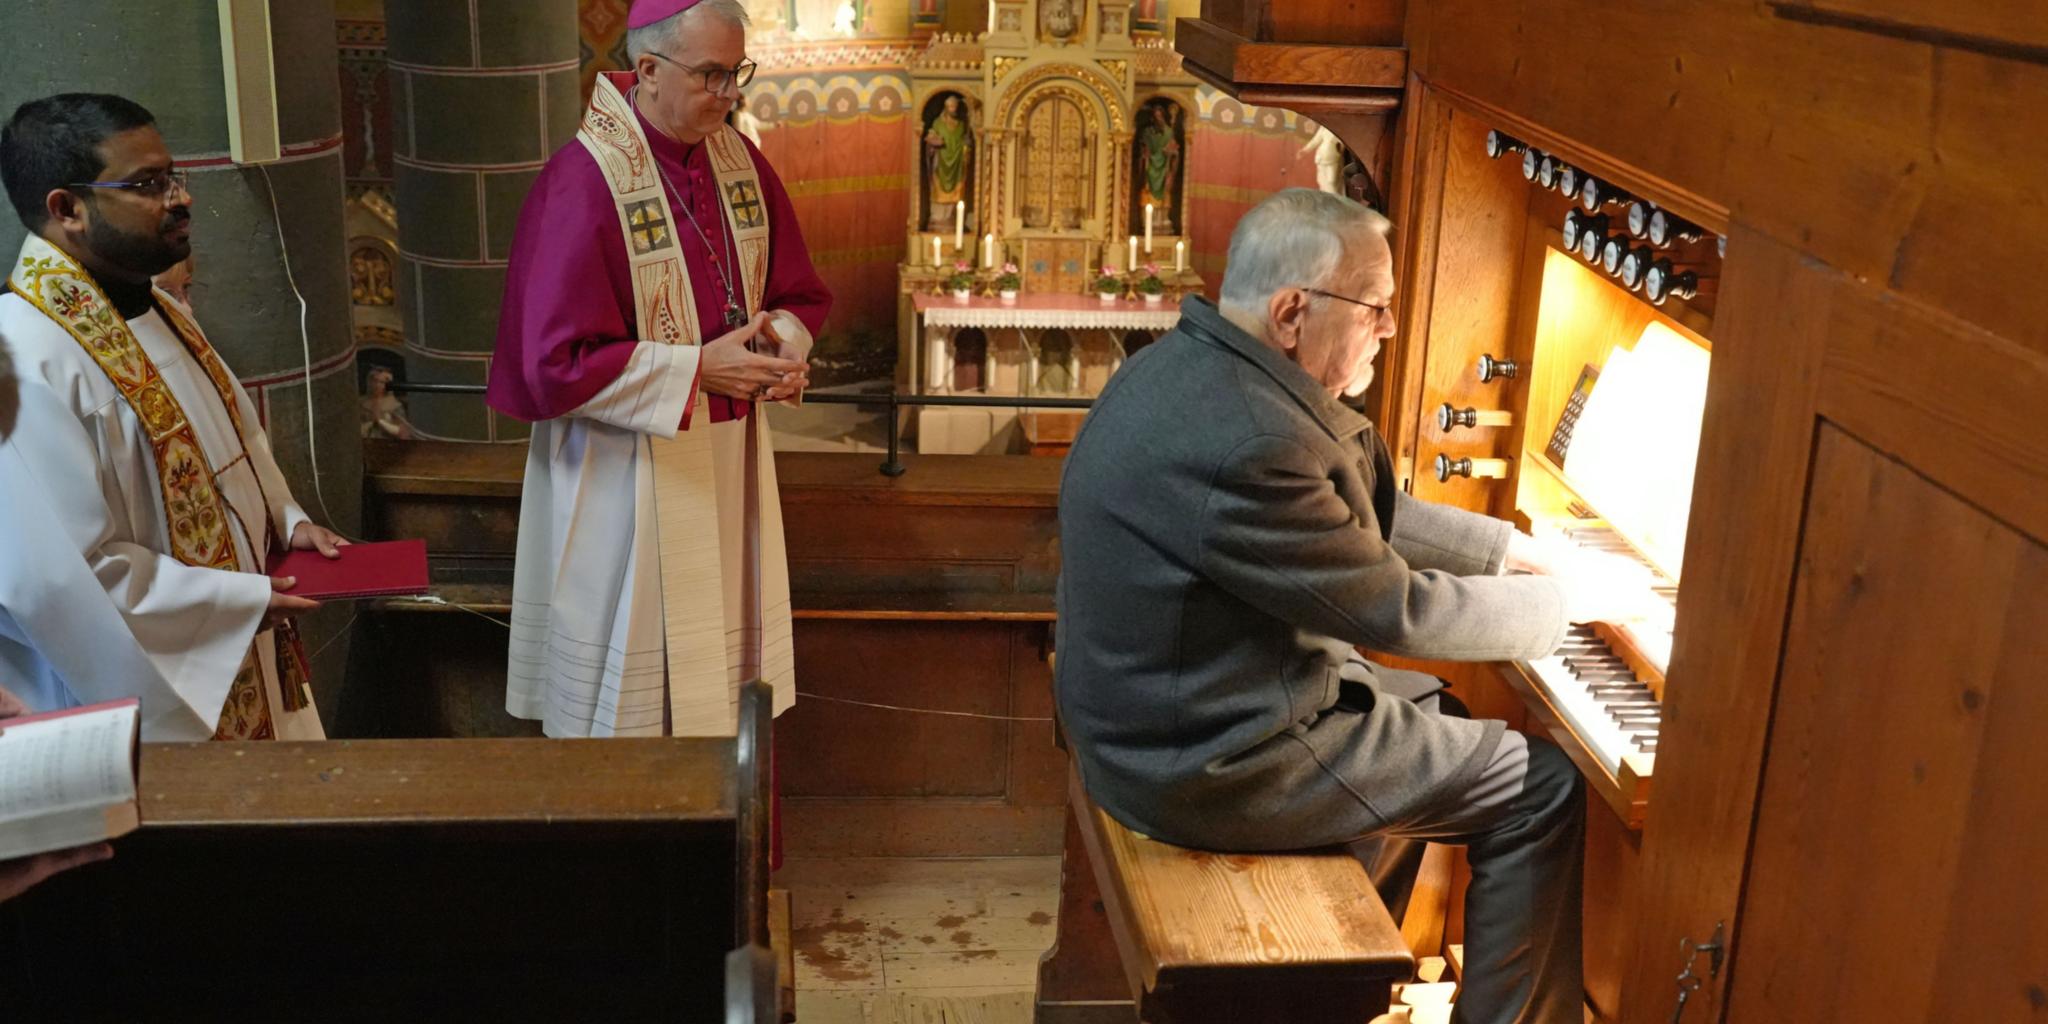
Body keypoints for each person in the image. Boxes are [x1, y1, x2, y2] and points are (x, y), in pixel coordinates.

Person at [1055, 189, 1663, 1023]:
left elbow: (1360, 514)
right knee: (1543, 788)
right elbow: (1394, 613)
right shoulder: (1256, 440)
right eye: (1375, 307)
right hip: (1210, 760)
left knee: (1435, 712)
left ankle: (1351, 984)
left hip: (1171, 709)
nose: (1387, 328)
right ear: (1293, 310)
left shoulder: (1197, 367)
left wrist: (1515, 552)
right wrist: (1568, 604)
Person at [488, 0, 831, 740]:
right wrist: (696, 371)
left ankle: (721, 846)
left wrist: (784, 349)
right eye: (713, 75)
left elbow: (797, 293)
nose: (732, 94)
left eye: (737, 72)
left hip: (731, 468)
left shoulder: (740, 164)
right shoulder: (582, 184)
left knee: (727, 689)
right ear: (646, 70)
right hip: (627, 482)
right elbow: (552, 364)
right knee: (631, 716)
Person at [0, 93, 346, 740]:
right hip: (152, 711)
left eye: (173, 176)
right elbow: (61, 579)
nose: (180, 197)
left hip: (246, 647)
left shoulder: (152, 307)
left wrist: (283, 521)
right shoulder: (27, 358)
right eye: (148, 185)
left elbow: (232, 448)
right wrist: (235, 602)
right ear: (66, 209)